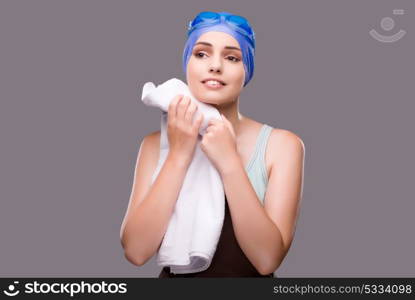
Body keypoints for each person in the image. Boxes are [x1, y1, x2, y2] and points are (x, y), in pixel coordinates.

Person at [120, 11, 305, 277]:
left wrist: (229, 162)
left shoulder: (281, 146)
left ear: (246, 70)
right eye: (201, 54)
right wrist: (179, 156)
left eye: (232, 57)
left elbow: (267, 260)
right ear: (188, 63)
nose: (215, 66)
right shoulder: (153, 145)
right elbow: (136, 251)